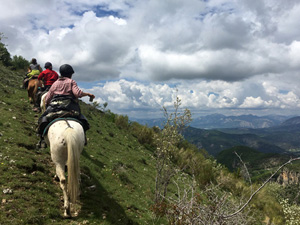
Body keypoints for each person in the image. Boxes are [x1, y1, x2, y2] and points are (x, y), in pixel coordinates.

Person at [37, 64, 95, 148]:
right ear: (70, 74)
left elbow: (48, 98)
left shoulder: (55, 83)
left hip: (55, 107)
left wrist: (47, 104)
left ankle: (41, 139)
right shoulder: (71, 82)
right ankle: (84, 137)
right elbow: (77, 93)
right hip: (70, 106)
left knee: (42, 119)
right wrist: (87, 94)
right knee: (83, 120)